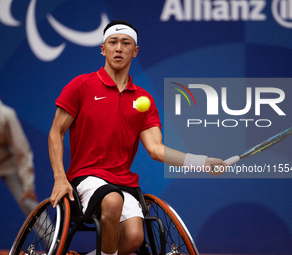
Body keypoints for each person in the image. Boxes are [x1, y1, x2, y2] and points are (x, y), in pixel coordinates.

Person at [48, 20, 227, 255]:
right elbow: (55, 133)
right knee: (111, 201)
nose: (119, 48)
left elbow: (156, 149)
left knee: (133, 238)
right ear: (103, 49)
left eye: (125, 43)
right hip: (87, 177)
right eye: (112, 42)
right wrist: (60, 178)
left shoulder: (144, 100)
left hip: (124, 182)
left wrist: (201, 162)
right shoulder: (81, 86)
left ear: (135, 51)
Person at [0, 72, 39, 217]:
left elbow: (22, 151)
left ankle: (55, 239)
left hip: (5, 163)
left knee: (28, 202)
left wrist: (28, 185)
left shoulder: (5, 115)